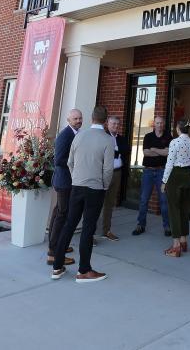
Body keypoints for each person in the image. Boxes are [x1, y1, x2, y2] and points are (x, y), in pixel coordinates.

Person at [51, 105, 114, 283]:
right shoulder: (108, 140)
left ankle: (57, 266)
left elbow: (70, 162)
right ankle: (84, 270)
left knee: (69, 224)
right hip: (95, 188)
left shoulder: (79, 136)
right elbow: (108, 170)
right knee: (88, 228)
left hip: (77, 186)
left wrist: (77, 178)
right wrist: (104, 186)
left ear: (92, 118)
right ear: (105, 120)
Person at [47, 109, 81, 266]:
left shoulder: (76, 133)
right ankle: (53, 253)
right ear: (68, 120)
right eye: (75, 118)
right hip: (64, 182)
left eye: (80, 118)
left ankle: (57, 246)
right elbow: (58, 160)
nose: (78, 120)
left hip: (67, 181)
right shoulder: (65, 135)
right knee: (62, 214)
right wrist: (75, 162)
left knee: (58, 212)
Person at [162, 118, 190, 257]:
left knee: (173, 209)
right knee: (184, 209)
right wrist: (188, 176)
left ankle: (176, 246)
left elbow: (169, 163)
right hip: (187, 175)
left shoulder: (174, 142)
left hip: (175, 176)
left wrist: (164, 181)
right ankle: (183, 241)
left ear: (178, 128)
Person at [132, 116, 172, 237]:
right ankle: (141, 225)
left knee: (164, 200)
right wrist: (160, 151)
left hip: (162, 172)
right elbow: (145, 152)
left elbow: (168, 152)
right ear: (153, 124)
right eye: (157, 123)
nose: (159, 125)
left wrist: (154, 149)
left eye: (161, 123)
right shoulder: (148, 136)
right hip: (148, 172)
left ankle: (167, 226)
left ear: (163, 124)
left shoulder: (168, 136)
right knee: (144, 200)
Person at [99, 115, 130, 241]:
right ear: (107, 124)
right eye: (113, 124)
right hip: (104, 173)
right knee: (97, 203)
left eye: (117, 124)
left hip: (117, 173)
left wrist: (116, 150)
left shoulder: (121, 139)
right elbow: (105, 152)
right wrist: (117, 150)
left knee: (110, 204)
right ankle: (90, 234)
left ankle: (106, 231)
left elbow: (126, 150)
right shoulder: (102, 137)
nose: (115, 126)